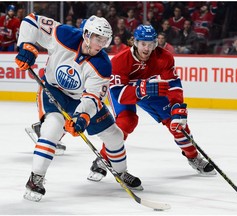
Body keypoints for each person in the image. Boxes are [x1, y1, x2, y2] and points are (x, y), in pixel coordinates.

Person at [15, 14, 142, 202]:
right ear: (87, 34)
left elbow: (92, 97)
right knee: (52, 128)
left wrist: (82, 117)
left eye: (105, 40)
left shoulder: (102, 64)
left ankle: (121, 172)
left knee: (114, 135)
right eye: (98, 38)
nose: (102, 44)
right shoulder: (63, 34)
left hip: (79, 98)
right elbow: (31, 20)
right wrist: (26, 45)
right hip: (53, 90)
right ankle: (36, 178)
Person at [87, 24, 216, 182]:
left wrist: (176, 106)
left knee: (176, 122)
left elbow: (174, 84)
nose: (147, 48)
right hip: (126, 92)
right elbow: (118, 94)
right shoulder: (120, 60)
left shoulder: (164, 57)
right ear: (135, 42)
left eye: (151, 44)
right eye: (143, 44)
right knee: (127, 122)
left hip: (149, 89)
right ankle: (103, 159)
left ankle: (193, 157)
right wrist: (140, 90)